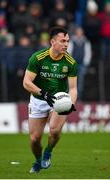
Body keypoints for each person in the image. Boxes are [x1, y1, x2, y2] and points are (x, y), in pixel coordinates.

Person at [23, 26, 77, 173]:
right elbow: (26, 82)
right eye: (62, 41)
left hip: (59, 101)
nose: (66, 44)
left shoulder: (70, 62)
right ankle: (38, 160)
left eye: (67, 41)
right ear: (52, 41)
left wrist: (71, 103)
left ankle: (48, 152)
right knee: (34, 140)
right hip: (38, 100)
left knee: (54, 130)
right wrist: (43, 93)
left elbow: (73, 88)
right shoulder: (38, 58)